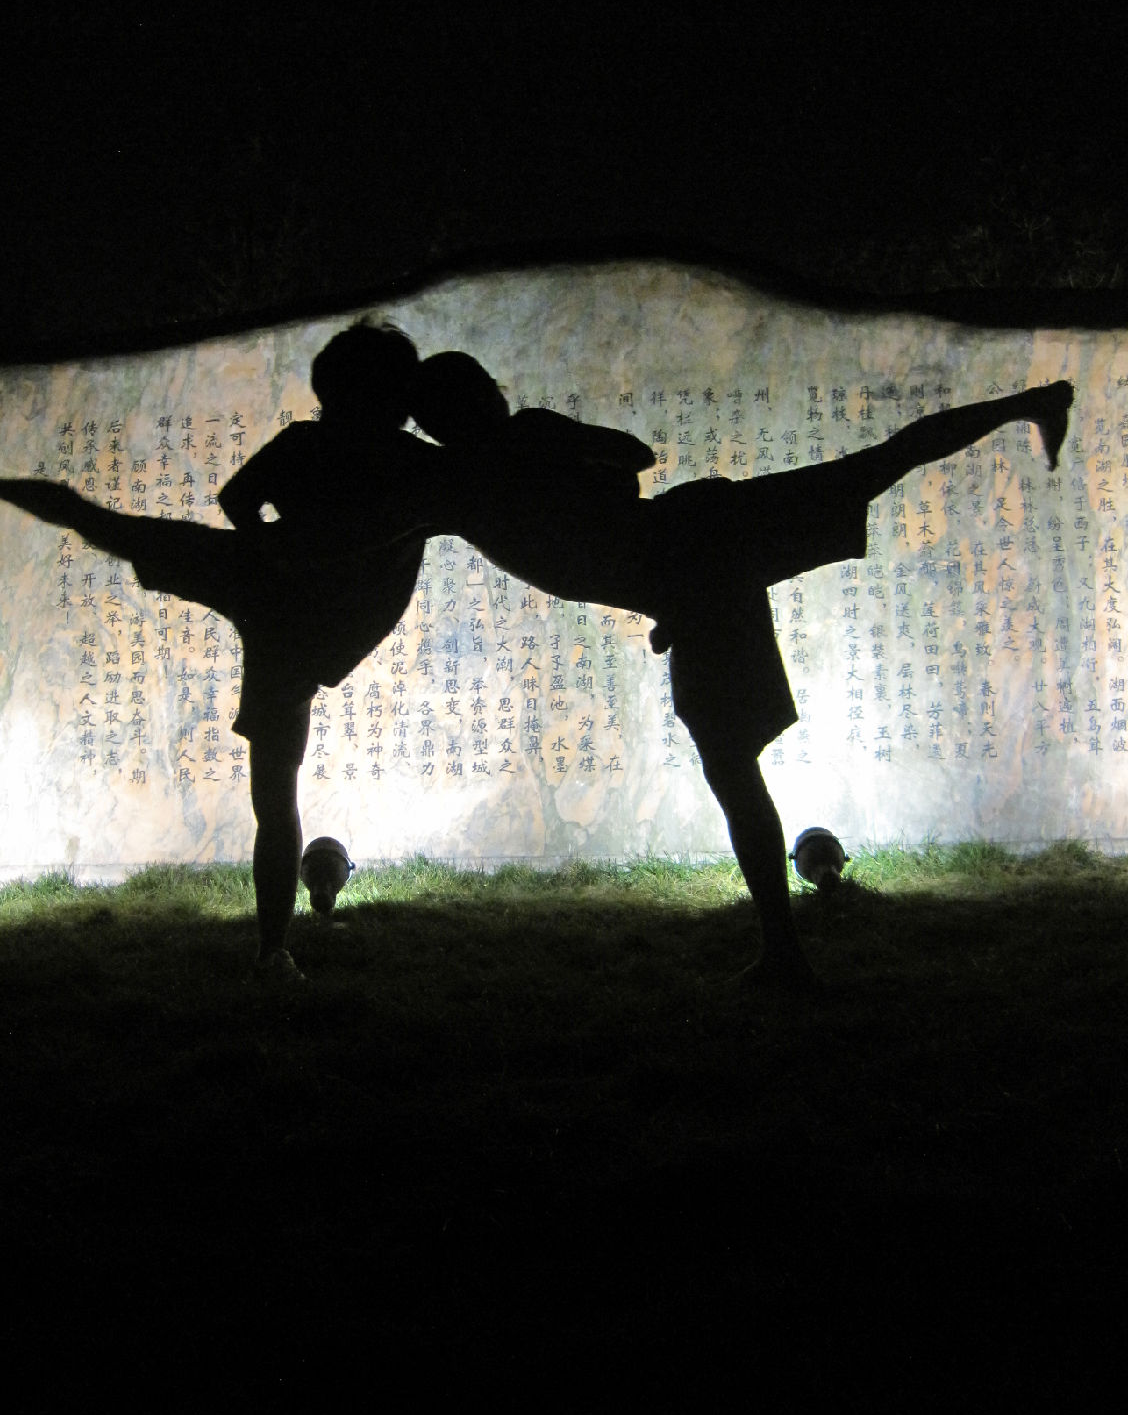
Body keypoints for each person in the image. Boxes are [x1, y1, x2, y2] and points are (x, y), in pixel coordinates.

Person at [412, 351, 1075, 988]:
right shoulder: (494, 464)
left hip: (697, 549)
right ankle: (1028, 404)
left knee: (732, 764)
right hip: (693, 557)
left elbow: (622, 482)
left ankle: (784, 954)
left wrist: (574, 472)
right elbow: (625, 473)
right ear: (477, 402)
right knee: (874, 467)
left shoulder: (482, 475)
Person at [0, 321, 456, 977]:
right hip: (286, 616)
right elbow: (241, 499)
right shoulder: (415, 465)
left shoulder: (331, 449)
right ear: (394, 397)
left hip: (268, 596)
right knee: (276, 798)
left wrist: (269, 548)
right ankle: (273, 951)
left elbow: (237, 498)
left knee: (107, 527)